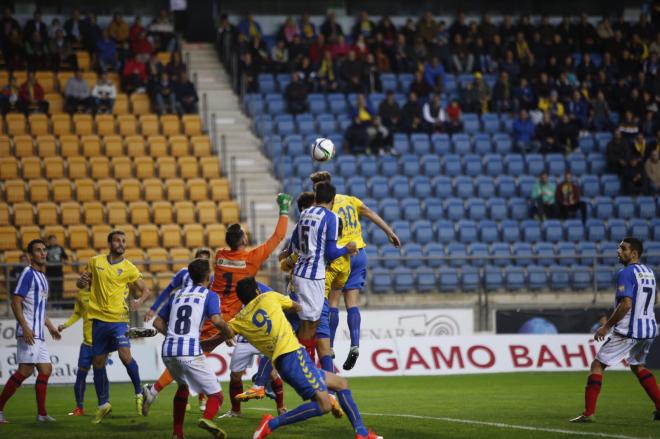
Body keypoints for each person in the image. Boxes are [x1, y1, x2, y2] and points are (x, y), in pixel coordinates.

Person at [230, 277, 382, 439]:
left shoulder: (239, 320)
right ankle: (270, 424)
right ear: (257, 291)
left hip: (286, 361)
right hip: (293, 356)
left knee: (340, 383)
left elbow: (223, 333)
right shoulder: (269, 297)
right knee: (324, 405)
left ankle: (362, 433)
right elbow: (297, 307)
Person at [204, 194, 292, 418]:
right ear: (243, 240)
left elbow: (232, 260)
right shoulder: (252, 259)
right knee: (267, 367)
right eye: (244, 235)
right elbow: (279, 235)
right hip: (237, 320)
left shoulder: (219, 255)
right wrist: (283, 208)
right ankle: (244, 408)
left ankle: (272, 407)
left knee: (205, 355)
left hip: (217, 316)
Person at [309, 173, 400, 370]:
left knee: (333, 302)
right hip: (360, 253)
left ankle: (330, 347)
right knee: (352, 303)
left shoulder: (326, 207)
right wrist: (389, 232)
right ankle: (355, 344)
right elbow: (371, 214)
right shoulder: (351, 200)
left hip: (342, 255)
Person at [570, 237, 660, 423]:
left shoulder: (625, 273)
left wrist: (607, 326)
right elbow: (655, 300)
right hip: (649, 329)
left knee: (597, 365)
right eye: (619, 248)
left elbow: (626, 304)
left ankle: (589, 413)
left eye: (623, 249)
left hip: (628, 330)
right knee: (638, 365)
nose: (618, 251)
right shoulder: (650, 272)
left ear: (634, 253)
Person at [152, 259, 234, 439]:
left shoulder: (176, 295)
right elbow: (217, 320)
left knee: (182, 387)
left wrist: (173, 335)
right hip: (189, 350)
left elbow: (157, 322)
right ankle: (207, 418)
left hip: (168, 350)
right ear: (208, 277)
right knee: (217, 396)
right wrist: (229, 333)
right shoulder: (209, 295)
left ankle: (177, 433)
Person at [76, 230, 152, 424]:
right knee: (98, 362)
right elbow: (81, 283)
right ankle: (103, 405)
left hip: (119, 319)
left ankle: (139, 393)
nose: (121, 243)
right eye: (117, 240)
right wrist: (81, 282)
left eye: (123, 241)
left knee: (124, 355)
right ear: (109, 243)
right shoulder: (95, 262)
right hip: (98, 321)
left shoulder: (129, 267)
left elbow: (146, 290)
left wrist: (139, 300)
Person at [290, 182, 358, 366]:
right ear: (333, 199)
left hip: (298, 273)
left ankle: (306, 364)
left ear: (316, 197)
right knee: (309, 326)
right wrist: (347, 248)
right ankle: (304, 366)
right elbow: (330, 253)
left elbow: (294, 243)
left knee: (310, 323)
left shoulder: (304, 213)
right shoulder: (332, 218)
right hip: (313, 277)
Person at [142, 248, 214, 412]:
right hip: (185, 325)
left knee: (193, 363)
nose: (202, 263)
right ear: (194, 261)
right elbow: (168, 290)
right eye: (200, 260)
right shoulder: (184, 274)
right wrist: (154, 308)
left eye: (205, 261)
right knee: (193, 362)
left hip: (199, 324)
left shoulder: (211, 279)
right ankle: (203, 399)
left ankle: (198, 399)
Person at [0, 239, 61, 423]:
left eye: (44, 250)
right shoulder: (27, 274)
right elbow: (15, 301)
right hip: (29, 333)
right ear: (30, 255)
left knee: (46, 369)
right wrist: (25, 327)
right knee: (25, 371)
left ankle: (42, 414)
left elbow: (39, 309)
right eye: (38, 250)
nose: (43, 253)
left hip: (39, 334)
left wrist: (50, 326)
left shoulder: (42, 277)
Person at [57, 286, 92, 416]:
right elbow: (77, 314)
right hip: (87, 344)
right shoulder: (81, 295)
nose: (86, 276)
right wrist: (65, 325)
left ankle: (104, 405)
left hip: (101, 344)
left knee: (101, 377)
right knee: (80, 377)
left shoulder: (103, 290)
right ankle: (79, 408)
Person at [45, 234, 68, 302]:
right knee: (51, 288)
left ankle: (59, 303)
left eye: (54, 240)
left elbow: (65, 257)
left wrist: (64, 260)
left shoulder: (60, 248)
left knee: (59, 288)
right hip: (50, 271)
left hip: (59, 271)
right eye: (51, 240)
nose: (53, 241)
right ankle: (53, 303)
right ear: (49, 241)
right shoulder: (45, 249)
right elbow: (43, 258)